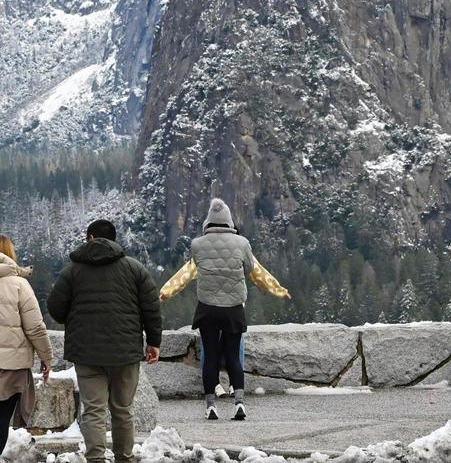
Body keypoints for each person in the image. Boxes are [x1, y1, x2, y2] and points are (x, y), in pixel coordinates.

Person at [160, 198, 289, 421]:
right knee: (233, 357)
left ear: (208, 222)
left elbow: (186, 273)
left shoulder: (198, 245)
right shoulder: (242, 244)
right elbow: (256, 272)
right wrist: (278, 290)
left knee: (210, 356)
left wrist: (166, 291)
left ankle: (211, 406)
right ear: (229, 221)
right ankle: (239, 402)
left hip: (207, 308)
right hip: (233, 308)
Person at [47, 220, 162, 463]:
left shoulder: (72, 271)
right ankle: (124, 457)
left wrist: (76, 316)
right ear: (114, 239)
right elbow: (151, 308)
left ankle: (96, 459)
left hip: (87, 353)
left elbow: (55, 309)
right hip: (125, 352)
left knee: (93, 411)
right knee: (122, 410)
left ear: (90, 238)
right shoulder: (134, 268)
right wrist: (153, 342)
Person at [0, 235, 53, 455]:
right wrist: (46, 357)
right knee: (2, 418)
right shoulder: (19, 284)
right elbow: (35, 328)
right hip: (11, 367)